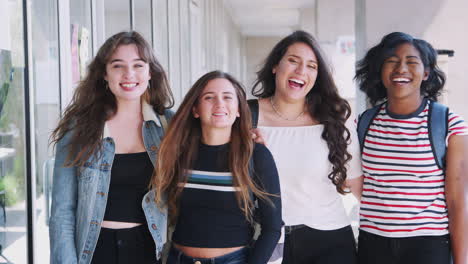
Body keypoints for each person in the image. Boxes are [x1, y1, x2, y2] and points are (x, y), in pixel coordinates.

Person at [49, 31, 174, 264]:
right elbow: (62, 213)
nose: (129, 74)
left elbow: (215, 144)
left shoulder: (168, 125)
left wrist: (251, 137)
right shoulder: (79, 128)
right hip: (95, 251)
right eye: (118, 66)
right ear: (104, 74)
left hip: (151, 250)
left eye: (138, 65)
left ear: (150, 73)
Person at [249, 30, 363, 264]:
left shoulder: (335, 119)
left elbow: (356, 183)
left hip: (330, 242)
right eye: (293, 61)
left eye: (311, 66)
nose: (302, 71)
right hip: (266, 241)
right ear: (275, 66)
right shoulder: (246, 115)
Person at [354, 32, 468, 264]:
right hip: (373, 244)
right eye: (392, 62)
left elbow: (458, 199)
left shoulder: (449, 124)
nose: (401, 69)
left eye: (412, 62)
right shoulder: (363, 123)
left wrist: (461, 260)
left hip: (428, 245)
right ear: (380, 71)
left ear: (426, 73)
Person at [152, 70, 282, 264]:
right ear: (195, 109)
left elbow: (272, 228)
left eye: (227, 97)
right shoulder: (178, 153)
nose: (219, 103)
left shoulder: (256, 156)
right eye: (209, 97)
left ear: (238, 109)